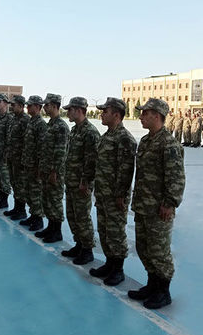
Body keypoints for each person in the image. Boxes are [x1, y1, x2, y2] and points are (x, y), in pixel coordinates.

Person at [128, 98, 185, 309]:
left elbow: (176, 178)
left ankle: (163, 291)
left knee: (159, 251)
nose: (141, 116)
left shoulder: (169, 144)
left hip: (159, 209)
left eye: (145, 113)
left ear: (157, 115)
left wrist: (169, 203)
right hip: (143, 205)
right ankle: (152, 285)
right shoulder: (145, 141)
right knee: (144, 248)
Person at [89, 98, 136, 285]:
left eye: (105, 111)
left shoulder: (124, 138)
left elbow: (126, 171)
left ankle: (118, 269)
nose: (102, 114)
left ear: (116, 115)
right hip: (102, 193)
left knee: (116, 232)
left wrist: (121, 195)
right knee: (104, 230)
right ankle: (109, 264)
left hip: (115, 196)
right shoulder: (107, 135)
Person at [61, 97, 100, 264]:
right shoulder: (75, 130)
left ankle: (87, 250)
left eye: (70, 110)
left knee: (82, 216)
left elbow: (91, 161)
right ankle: (79, 244)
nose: (67, 112)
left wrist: (85, 182)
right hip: (71, 181)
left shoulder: (90, 132)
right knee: (72, 215)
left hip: (81, 184)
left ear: (78, 110)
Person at [36, 93, 70, 243]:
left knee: (55, 201)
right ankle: (50, 228)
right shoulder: (50, 124)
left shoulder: (61, 126)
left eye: (47, 105)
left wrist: (54, 171)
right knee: (47, 200)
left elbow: (61, 152)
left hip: (54, 172)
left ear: (55, 106)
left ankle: (57, 231)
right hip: (46, 169)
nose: (44, 107)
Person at [19, 96, 48, 231]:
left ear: (37, 107)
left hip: (35, 166)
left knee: (36, 193)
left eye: (30, 106)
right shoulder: (31, 122)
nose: (27, 108)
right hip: (28, 164)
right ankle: (33, 216)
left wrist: (39, 167)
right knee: (29, 192)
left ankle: (38, 219)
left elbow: (42, 148)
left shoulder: (41, 124)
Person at [4, 95, 30, 220]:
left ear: (21, 106)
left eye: (13, 105)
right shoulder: (14, 118)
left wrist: (23, 160)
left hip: (20, 160)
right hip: (12, 158)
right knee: (14, 184)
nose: (11, 107)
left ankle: (21, 210)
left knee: (20, 185)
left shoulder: (25, 120)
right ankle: (16, 208)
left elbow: (27, 142)